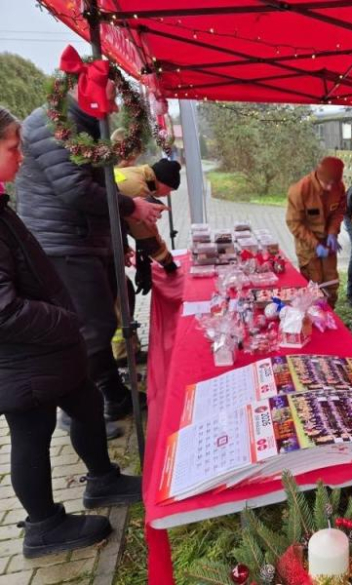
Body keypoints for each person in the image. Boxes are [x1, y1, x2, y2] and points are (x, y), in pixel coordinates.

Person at [0, 106, 141, 559]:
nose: (20, 156)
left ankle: (101, 479)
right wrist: (66, 322)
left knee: (84, 402)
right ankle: (43, 526)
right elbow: (4, 309)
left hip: (49, 347)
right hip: (24, 358)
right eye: (10, 147)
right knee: (31, 432)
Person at [14, 55, 166, 427]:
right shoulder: (53, 126)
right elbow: (77, 191)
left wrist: (118, 242)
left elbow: (100, 184)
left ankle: (113, 394)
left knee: (104, 318)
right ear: (87, 90)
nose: (115, 105)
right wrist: (133, 209)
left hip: (85, 238)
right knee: (93, 326)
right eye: (112, 95)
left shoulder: (81, 124)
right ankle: (80, 406)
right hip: (64, 243)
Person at [112, 159, 181, 364]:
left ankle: (128, 349)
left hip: (101, 240)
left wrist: (123, 246)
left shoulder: (132, 173)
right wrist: (169, 264)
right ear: (161, 181)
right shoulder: (138, 187)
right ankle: (124, 355)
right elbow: (147, 235)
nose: (168, 195)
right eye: (169, 190)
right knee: (119, 294)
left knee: (123, 288)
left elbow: (119, 218)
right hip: (90, 246)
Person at [286, 157, 346, 308]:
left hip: (327, 243)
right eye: (327, 183)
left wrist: (332, 233)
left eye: (334, 184)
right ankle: (311, 318)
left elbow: (338, 212)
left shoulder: (338, 187)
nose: (330, 188)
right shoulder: (300, 190)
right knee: (313, 286)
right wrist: (315, 245)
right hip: (308, 247)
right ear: (318, 176)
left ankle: (330, 315)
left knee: (331, 283)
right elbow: (294, 223)